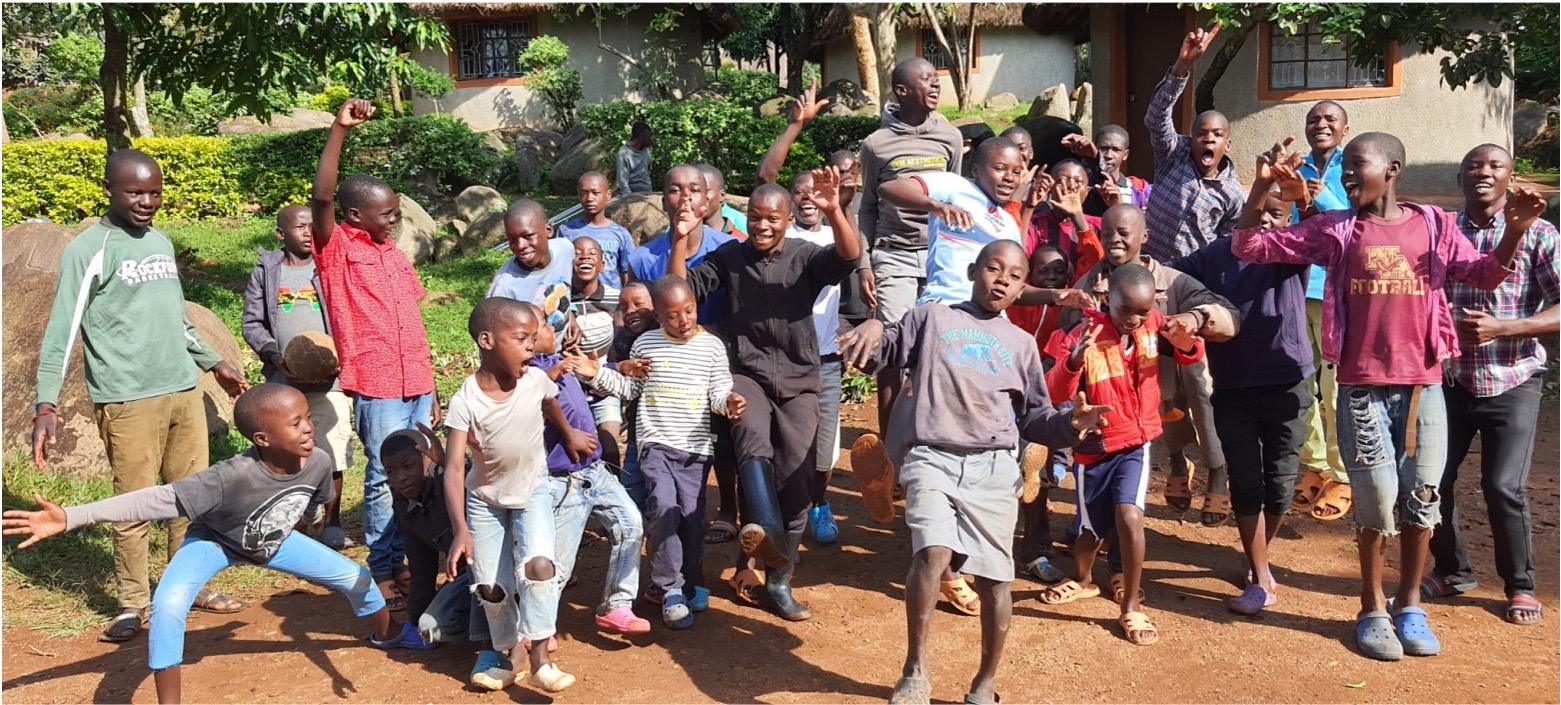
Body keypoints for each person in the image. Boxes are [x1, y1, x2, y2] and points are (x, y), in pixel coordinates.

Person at [1231, 132, 1536, 661]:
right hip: (1361, 390)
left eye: (1356, 165)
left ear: (1391, 168)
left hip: (1423, 389)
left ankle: (1410, 604)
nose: (1347, 175)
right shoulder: (1337, 229)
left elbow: (1485, 277)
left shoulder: (1434, 226)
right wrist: (1259, 192)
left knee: (1423, 498)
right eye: (1344, 167)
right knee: (1374, 502)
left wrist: (1512, 232)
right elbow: (1251, 246)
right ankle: (1371, 607)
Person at [5, 385, 433, 705]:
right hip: (214, 541)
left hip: (274, 540)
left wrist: (304, 525)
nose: (308, 429)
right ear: (262, 439)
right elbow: (155, 499)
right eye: (296, 423)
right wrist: (74, 516)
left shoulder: (319, 460)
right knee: (170, 604)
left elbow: (314, 503)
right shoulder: (228, 476)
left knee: (355, 576)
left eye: (307, 418)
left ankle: (389, 634)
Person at [840, 240, 1107, 705]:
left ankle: (984, 681)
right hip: (932, 456)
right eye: (992, 268)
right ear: (972, 270)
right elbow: (884, 351)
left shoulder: (1023, 346)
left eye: (1013, 274)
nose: (1001, 279)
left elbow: (1034, 417)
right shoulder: (933, 318)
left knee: (996, 582)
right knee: (932, 552)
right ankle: (915, 670)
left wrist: (1069, 424)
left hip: (992, 467)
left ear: (1023, 286)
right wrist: (871, 331)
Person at [32, 148, 250, 642]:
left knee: (192, 500)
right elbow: (61, 330)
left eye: (154, 192)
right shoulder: (89, 249)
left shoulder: (160, 242)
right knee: (133, 504)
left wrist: (212, 362)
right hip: (127, 399)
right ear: (108, 190)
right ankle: (133, 602)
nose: (147, 201)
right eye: (135, 192)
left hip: (181, 390)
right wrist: (45, 404)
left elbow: (176, 316)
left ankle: (188, 586)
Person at [667, 171, 859, 622]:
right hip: (746, 372)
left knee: (797, 477)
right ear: (745, 219)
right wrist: (680, 239)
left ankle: (779, 577)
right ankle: (764, 528)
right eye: (755, 218)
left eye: (772, 218)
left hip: (799, 377)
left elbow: (848, 258)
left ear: (788, 219)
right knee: (750, 433)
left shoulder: (806, 256)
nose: (762, 226)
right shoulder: (730, 257)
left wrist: (834, 211)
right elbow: (681, 291)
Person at [311, 99, 437, 607]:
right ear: (354, 215)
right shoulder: (337, 249)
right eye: (386, 214)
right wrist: (338, 130)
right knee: (387, 476)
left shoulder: (392, 254)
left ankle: (410, 560)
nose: (394, 220)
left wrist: (431, 385)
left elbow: (413, 316)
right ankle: (383, 569)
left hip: (418, 381)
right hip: (378, 383)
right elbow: (321, 195)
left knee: (420, 470)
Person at [1040, 264, 1205, 647]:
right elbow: (1053, 391)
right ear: (1106, 300)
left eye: (1142, 312)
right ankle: (1083, 580)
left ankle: (1131, 604)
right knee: (1089, 532)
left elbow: (1189, 354)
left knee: (1130, 516)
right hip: (1094, 449)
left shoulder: (1154, 324)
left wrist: (1186, 342)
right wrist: (1073, 362)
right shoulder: (1082, 334)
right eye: (1124, 310)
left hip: (1136, 442)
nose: (1134, 319)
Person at [1426, 144, 1556, 626]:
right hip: (1450, 379)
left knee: (1503, 487)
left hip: (1512, 379)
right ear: (1460, 177)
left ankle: (1520, 586)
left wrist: (1506, 328)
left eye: (1494, 166)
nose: (1483, 172)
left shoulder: (1539, 234)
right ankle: (1451, 569)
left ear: (1510, 177)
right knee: (1432, 481)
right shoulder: (1442, 232)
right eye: (1474, 166)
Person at [1167, 183, 1312, 614]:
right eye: (1259, 210)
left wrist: (1303, 201)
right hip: (1233, 387)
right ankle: (1259, 570)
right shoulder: (1213, 257)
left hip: (1288, 383)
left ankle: (1259, 550)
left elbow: (1322, 227)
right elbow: (1168, 276)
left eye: (1277, 214)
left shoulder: (1291, 251)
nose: (1267, 220)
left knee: (1281, 481)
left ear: (1288, 221)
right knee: (1246, 481)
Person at [574, 275, 744, 629]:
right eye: (672, 315)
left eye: (689, 311)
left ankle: (693, 581)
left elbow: (718, 392)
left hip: (696, 449)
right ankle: (670, 590)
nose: (683, 320)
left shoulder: (712, 347)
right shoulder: (646, 344)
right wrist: (596, 374)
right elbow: (629, 388)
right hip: (656, 445)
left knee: (692, 521)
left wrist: (729, 403)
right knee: (665, 511)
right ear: (659, 316)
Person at [1062, 204, 1240, 527]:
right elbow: (1066, 332)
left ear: (1144, 236)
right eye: (1106, 234)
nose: (1113, 240)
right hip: (1119, 384)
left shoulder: (1171, 282)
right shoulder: (1090, 284)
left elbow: (1229, 316)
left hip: (1170, 371)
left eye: (1123, 233)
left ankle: (1216, 470)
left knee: (1193, 380)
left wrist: (1195, 317)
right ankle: (1173, 463)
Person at [442, 298, 586, 692]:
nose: (530, 346)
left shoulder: (535, 380)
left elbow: (550, 400)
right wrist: (460, 530)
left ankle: (541, 656)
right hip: (485, 502)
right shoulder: (466, 400)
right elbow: (455, 469)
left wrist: (569, 433)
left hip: (532, 491)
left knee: (540, 566)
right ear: (487, 340)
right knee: (491, 587)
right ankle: (513, 654)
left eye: (533, 338)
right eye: (522, 338)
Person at [626, 164, 741, 541]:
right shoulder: (645, 258)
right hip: (664, 369)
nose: (685, 198)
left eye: (694, 189)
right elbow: (635, 311)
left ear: (709, 198)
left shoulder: (728, 250)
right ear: (663, 200)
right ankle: (654, 510)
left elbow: (739, 309)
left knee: (721, 436)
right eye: (675, 190)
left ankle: (727, 508)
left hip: (715, 358)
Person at [522, 303, 651, 636]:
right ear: (526, 339)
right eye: (546, 328)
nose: (555, 329)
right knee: (559, 565)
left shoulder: (557, 361)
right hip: (562, 482)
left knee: (631, 525)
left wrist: (621, 367)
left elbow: (594, 374)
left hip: (594, 472)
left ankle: (616, 606)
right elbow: (534, 401)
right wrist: (552, 378)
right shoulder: (525, 377)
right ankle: (537, 630)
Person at [857, 57, 964, 441]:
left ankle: (934, 440)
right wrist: (864, 264)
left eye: (937, 79)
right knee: (891, 349)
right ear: (902, 91)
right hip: (894, 255)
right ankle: (890, 453)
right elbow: (867, 206)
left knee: (942, 347)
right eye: (927, 80)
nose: (936, 85)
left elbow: (955, 196)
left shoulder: (949, 137)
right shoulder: (876, 144)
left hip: (938, 256)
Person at [241, 203, 354, 551]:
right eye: (299, 227)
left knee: (333, 447)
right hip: (283, 378)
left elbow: (348, 314)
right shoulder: (266, 271)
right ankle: (296, 515)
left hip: (329, 379)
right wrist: (276, 356)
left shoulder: (328, 266)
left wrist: (341, 357)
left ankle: (333, 522)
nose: (308, 232)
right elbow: (252, 323)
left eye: (312, 226)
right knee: (287, 450)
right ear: (280, 233)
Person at [1292, 101, 1355, 522]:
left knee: (1333, 389)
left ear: (1345, 128)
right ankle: (1314, 463)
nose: (1322, 125)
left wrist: (1319, 195)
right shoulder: (1296, 167)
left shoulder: (1354, 168)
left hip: (1334, 291)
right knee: (1301, 382)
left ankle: (1341, 473)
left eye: (1331, 119)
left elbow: (1355, 223)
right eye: (1314, 119)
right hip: (1297, 286)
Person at [1142, 21, 1245, 262]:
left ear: (1227, 145)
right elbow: (1156, 118)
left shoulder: (1233, 194)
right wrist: (1182, 66)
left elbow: (1227, 246)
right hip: (1147, 264)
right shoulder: (1174, 154)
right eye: (1201, 134)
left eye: (1217, 135)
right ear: (1191, 138)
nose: (1208, 138)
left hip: (1188, 278)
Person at [569, 236, 625, 468]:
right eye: (577, 253)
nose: (584, 257)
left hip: (605, 385)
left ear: (602, 264)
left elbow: (622, 342)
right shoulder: (557, 300)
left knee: (609, 447)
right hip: (569, 387)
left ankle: (615, 499)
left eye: (592, 254)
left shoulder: (616, 298)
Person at [487, 199, 576, 339]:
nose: (520, 245)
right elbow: (494, 344)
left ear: (548, 230)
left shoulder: (565, 250)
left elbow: (567, 287)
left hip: (563, 352)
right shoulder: (503, 288)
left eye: (528, 236)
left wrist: (570, 315)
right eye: (512, 239)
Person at [557, 171, 637, 289]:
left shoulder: (620, 234)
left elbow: (627, 273)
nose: (589, 198)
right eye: (584, 193)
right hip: (576, 299)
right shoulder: (567, 231)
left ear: (608, 195)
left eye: (595, 193)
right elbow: (558, 270)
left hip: (610, 301)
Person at [697, 163, 748, 238]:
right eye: (695, 191)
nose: (697, 197)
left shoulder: (739, 237)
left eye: (705, 191)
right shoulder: (679, 233)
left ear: (722, 195)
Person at [616, 121, 654, 196]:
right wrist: (629, 198)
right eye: (649, 137)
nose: (651, 140)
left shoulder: (646, 150)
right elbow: (622, 182)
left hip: (647, 190)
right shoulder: (624, 153)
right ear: (643, 136)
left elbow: (647, 171)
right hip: (632, 192)